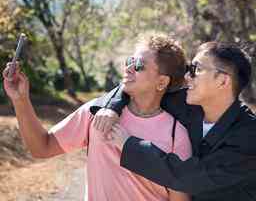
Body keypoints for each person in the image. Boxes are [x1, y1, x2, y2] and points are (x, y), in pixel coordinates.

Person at [3, 34, 192, 201]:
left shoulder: (177, 135)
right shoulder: (96, 112)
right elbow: (42, 147)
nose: (128, 69)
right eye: (129, 61)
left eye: (139, 65)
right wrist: (21, 100)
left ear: (162, 82)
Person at [90, 41, 256, 201]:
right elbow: (141, 87)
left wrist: (129, 145)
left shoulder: (249, 137)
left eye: (195, 69)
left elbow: (188, 177)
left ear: (222, 81)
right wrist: (112, 107)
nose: (187, 77)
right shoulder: (188, 103)